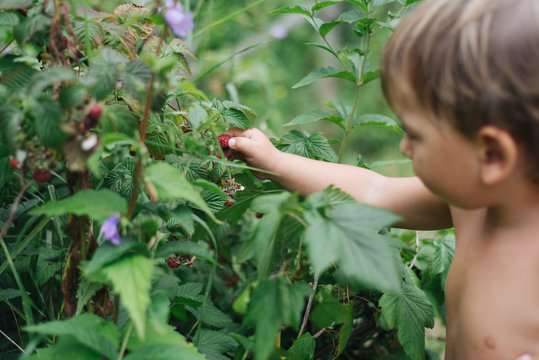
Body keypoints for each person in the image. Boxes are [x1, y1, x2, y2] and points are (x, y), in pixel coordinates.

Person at [222, 0, 539, 358]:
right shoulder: (476, 202)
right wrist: (274, 162)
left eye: (415, 134)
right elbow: (375, 193)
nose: (404, 147)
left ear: (492, 155)